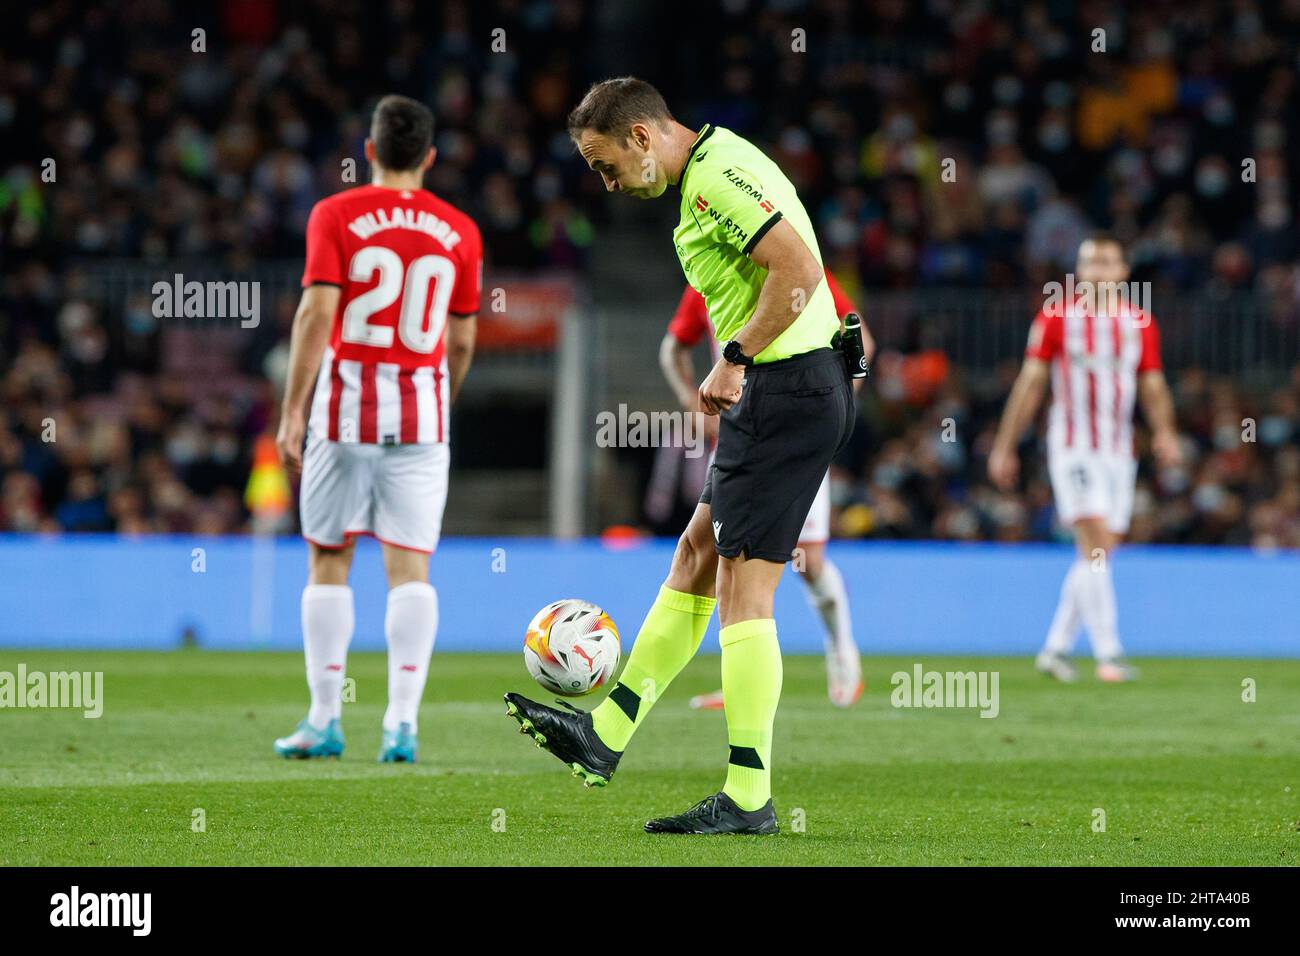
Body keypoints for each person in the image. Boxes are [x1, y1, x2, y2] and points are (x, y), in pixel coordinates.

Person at [504, 77, 855, 835]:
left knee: (744, 592)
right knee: (696, 554)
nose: (606, 183)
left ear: (641, 137)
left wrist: (734, 357)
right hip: (795, 384)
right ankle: (604, 738)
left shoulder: (716, 181)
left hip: (784, 388)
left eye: (605, 165)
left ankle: (749, 797)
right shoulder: (722, 165)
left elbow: (798, 270)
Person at [273, 95, 482, 761]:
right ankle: (401, 723)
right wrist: (438, 399)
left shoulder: (335, 213)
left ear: (368, 151)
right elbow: (463, 340)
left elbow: (314, 315)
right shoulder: (461, 230)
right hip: (422, 420)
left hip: (342, 416)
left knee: (329, 557)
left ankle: (325, 720)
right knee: (410, 568)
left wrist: (292, 410)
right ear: (429, 157)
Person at [661, 280, 870, 709]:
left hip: (796, 434)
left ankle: (842, 652)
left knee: (808, 562)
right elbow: (672, 349)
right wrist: (691, 401)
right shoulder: (705, 280)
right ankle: (737, 679)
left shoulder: (793, 266)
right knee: (727, 559)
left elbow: (857, 331)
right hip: (740, 435)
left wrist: (836, 399)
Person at [988, 234, 1181, 682]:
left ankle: (1055, 649)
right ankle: (1108, 653)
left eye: (1106, 262)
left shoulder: (1139, 323)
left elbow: (1152, 386)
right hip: (1072, 448)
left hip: (1119, 453)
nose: (1096, 270)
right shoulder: (1056, 317)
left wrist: (1166, 434)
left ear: (1123, 271)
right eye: (1089, 263)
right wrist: (1004, 445)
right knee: (1095, 543)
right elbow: (1030, 384)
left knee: (1099, 553)